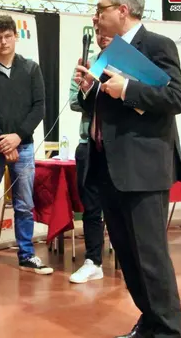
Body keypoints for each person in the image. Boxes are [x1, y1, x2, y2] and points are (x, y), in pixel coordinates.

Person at [74, 0, 181, 338]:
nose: (96, 16)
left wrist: (128, 89)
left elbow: (176, 97)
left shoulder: (156, 45)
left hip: (143, 170)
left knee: (150, 258)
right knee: (128, 256)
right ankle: (150, 321)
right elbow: (107, 107)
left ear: (123, 10)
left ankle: (169, 331)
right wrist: (89, 91)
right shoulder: (108, 52)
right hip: (109, 168)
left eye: (101, 8)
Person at [0, 15, 51, 274]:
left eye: (8, 36)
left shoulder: (31, 68)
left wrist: (17, 137)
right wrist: (3, 141)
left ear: (16, 36)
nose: (3, 42)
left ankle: (27, 255)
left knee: (24, 203)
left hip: (24, 145)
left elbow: (39, 108)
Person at [68, 27, 112, 284]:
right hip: (89, 143)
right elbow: (75, 101)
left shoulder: (125, 64)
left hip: (118, 147)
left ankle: (132, 263)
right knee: (91, 207)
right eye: (98, 33)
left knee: (121, 208)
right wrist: (86, 87)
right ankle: (93, 261)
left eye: (107, 32)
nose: (102, 37)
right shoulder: (89, 63)